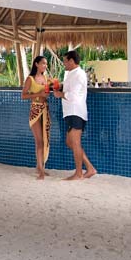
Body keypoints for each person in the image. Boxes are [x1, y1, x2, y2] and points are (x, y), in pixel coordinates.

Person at [54, 50, 96, 180]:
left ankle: (78, 173)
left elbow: (74, 95)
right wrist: (60, 87)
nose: (64, 64)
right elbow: (71, 89)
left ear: (72, 61)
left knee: (75, 143)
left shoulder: (78, 74)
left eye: (65, 61)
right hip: (71, 112)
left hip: (75, 112)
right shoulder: (71, 74)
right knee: (69, 142)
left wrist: (60, 94)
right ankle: (90, 168)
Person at [21, 56, 51, 180]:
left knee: (45, 140)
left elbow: (47, 94)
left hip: (45, 109)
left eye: (46, 64)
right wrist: (39, 94)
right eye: (43, 63)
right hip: (35, 111)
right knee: (39, 141)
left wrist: (51, 90)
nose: (45, 66)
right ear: (36, 64)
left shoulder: (46, 78)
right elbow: (23, 96)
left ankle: (39, 167)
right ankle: (41, 171)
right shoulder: (30, 79)